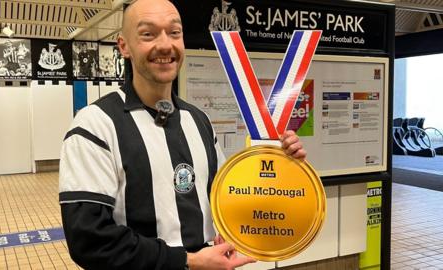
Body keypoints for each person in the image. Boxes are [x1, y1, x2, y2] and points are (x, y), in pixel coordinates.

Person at [59, 0, 307, 269]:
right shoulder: (95, 125)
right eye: (148, 34)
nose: (165, 45)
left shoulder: (199, 121)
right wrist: (186, 262)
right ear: (124, 47)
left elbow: (232, 199)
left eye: (174, 32)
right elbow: (88, 239)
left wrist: (281, 166)